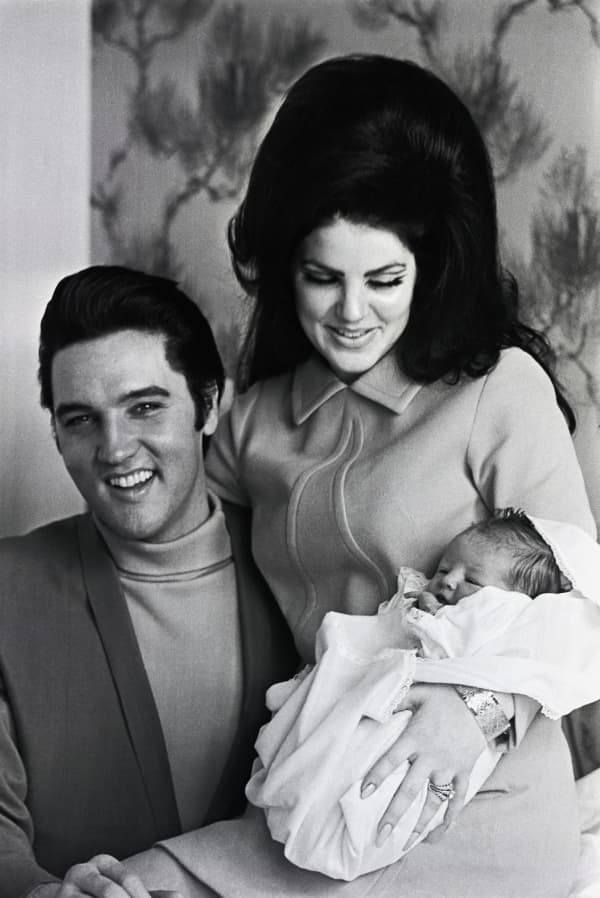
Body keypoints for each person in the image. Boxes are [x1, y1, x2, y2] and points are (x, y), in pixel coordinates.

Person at [59, 54, 598, 898]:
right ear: (284, 268)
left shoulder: (500, 390)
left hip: (473, 799)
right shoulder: (251, 421)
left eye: (384, 280)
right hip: (320, 793)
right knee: (111, 887)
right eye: (322, 279)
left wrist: (482, 714)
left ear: (432, 267)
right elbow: (164, 539)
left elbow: (584, 605)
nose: (352, 314)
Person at [0, 266, 297, 898]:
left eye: (144, 408)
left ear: (209, 404)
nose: (115, 448)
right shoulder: (6, 589)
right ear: (55, 431)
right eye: (81, 419)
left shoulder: (299, 563)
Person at [246, 509, 600, 881]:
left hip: (467, 765)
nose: (446, 583)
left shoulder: (513, 620)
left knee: (383, 798)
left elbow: (574, 628)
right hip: (374, 716)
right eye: (444, 570)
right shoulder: (426, 600)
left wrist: (485, 705)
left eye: (473, 582)